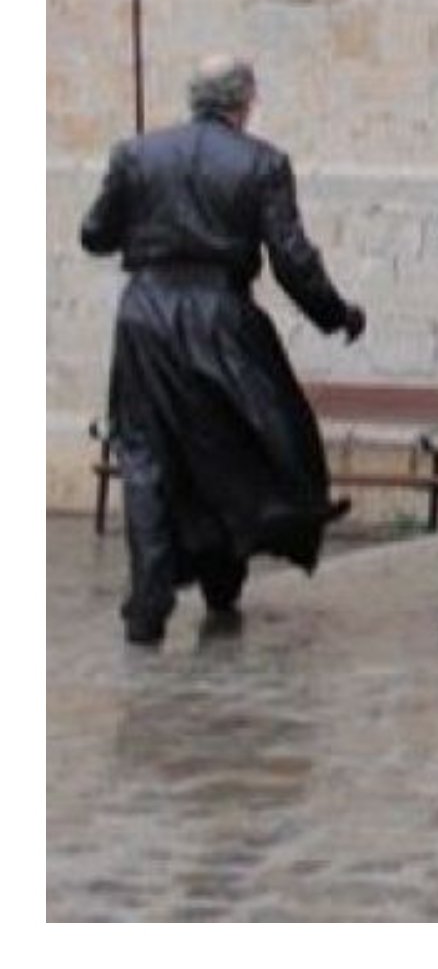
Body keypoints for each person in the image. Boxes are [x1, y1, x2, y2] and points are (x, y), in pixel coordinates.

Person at [82, 54, 365, 645]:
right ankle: (215, 566)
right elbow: (292, 260)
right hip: (219, 315)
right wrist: (336, 315)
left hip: (146, 314)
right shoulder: (262, 163)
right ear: (245, 101)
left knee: (148, 454)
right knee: (238, 438)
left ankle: (160, 591)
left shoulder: (137, 155)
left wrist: (136, 206)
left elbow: (94, 234)